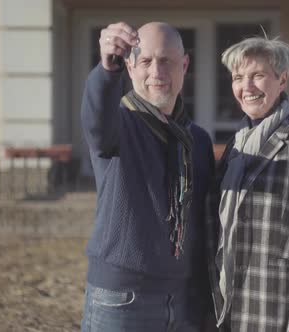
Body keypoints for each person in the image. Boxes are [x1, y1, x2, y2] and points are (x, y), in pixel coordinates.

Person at [80, 21, 215, 332]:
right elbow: (96, 118)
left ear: (184, 65)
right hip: (121, 300)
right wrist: (107, 68)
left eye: (166, 61)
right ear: (130, 67)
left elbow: (203, 227)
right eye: (146, 61)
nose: (157, 71)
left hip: (181, 301)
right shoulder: (119, 125)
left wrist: (204, 304)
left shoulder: (198, 141)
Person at [206, 36, 289, 331]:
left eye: (258, 75)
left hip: (279, 315)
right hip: (229, 314)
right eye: (238, 77)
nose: (247, 87)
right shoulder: (235, 148)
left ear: (282, 79)